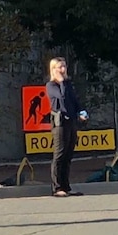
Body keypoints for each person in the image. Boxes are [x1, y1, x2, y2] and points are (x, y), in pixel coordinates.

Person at [46, 57, 88, 197]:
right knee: (59, 155)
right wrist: (61, 81)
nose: (63, 70)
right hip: (60, 123)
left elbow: (74, 101)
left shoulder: (68, 84)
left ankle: (66, 185)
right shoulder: (51, 85)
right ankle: (57, 187)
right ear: (53, 70)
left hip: (71, 122)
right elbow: (62, 98)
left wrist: (81, 112)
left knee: (68, 155)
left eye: (64, 66)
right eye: (59, 67)